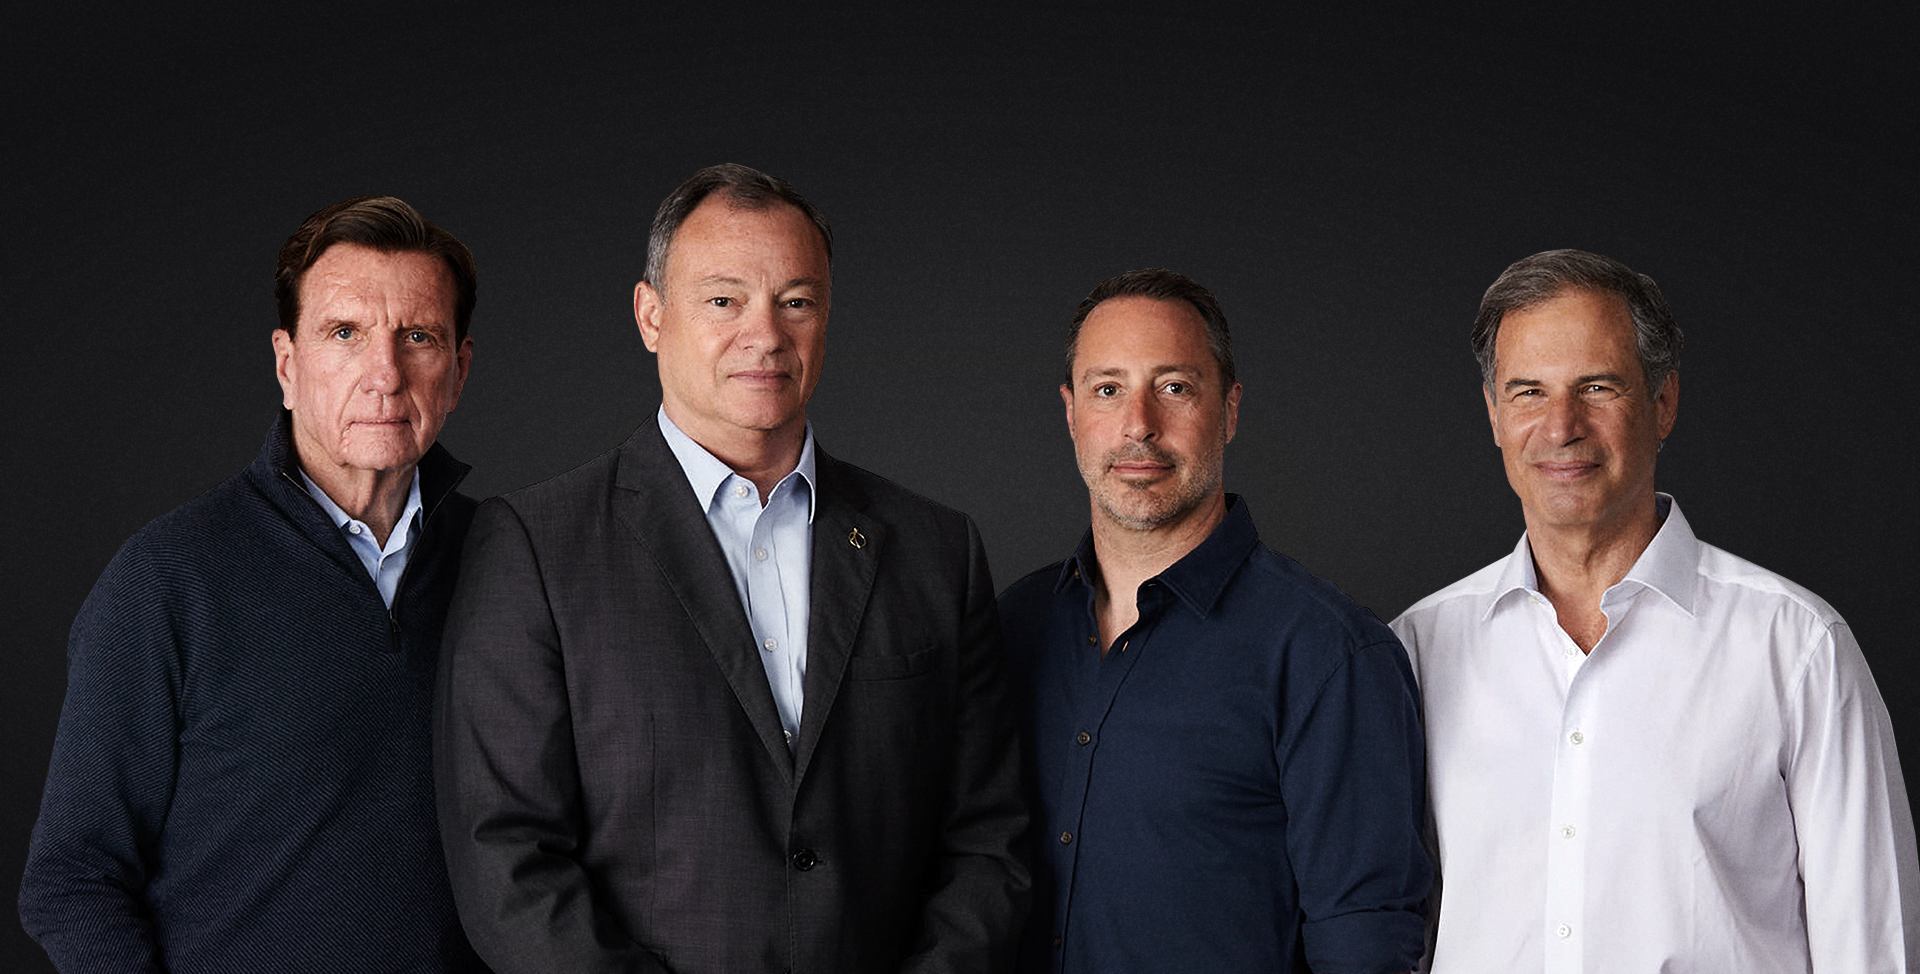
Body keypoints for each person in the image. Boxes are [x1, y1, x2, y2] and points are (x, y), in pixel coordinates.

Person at [434, 163, 1028, 974]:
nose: (767, 334)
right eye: (723, 300)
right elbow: (506, 859)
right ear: (651, 315)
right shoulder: (536, 546)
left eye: (797, 300)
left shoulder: (935, 551)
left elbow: (990, 843)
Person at [1392, 248, 1920, 972]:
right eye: (1527, 393)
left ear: (1663, 402)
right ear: (1492, 414)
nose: (1561, 426)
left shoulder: (1797, 647)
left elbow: (1870, 941)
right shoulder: (1416, 651)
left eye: (1598, 387)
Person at [19, 196, 486, 972]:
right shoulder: (169, 580)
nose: (385, 373)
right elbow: (73, 878)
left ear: (459, 369)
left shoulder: (502, 559)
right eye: (345, 334)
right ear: (287, 364)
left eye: (418, 336)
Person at [998, 268, 1429, 974]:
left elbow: (1365, 943)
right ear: (1072, 412)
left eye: (1174, 387)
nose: (1139, 424)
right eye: (1109, 389)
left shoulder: (1328, 653)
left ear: (1228, 410)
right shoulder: (1014, 628)